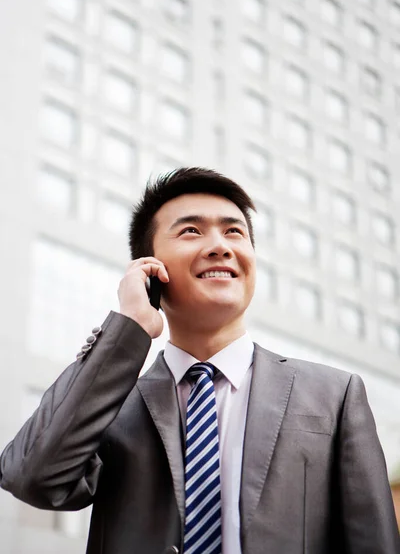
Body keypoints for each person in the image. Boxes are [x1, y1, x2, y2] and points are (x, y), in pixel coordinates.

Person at [0, 167, 399, 554]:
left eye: (234, 232)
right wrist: (129, 328)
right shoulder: (109, 404)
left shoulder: (335, 395)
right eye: (191, 231)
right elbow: (32, 478)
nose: (220, 246)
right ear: (151, 268)